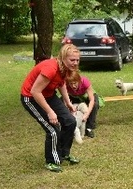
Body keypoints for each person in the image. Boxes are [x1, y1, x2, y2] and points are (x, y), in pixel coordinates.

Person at [20, 44, 81, 172]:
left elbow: (61, 83)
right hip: (31, 97)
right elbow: (35, 91)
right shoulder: (51, 68)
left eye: (77, 60)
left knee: (70, 122)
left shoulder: (65, 68)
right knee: (53, 129)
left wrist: (67, 101)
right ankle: (51, 161)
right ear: (63, 58)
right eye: (72, 60)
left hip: (48, 95)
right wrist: (50, 112)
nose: (75, 63)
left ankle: (64, 154)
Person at [66, 71, 100, 138]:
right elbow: (65, 100)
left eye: (75, 83)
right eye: (71, 84)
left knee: (95, 104)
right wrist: (69, 109)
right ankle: (69, 127)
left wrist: (86, 115)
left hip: (86, 95)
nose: (73, 86)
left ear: (79, 81)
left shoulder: (85, 82)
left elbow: (92, 100)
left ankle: (89, 128)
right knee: (60, 104)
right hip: (73, 95)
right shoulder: (65, 84)